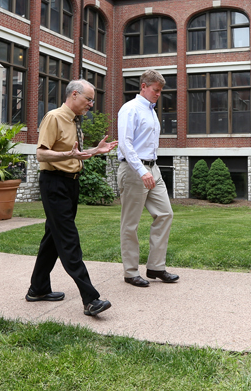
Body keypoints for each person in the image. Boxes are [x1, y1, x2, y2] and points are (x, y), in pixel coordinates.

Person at [27, 79, 117, 316]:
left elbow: (75, 156)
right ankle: (90, 299)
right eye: (88, 99)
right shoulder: (54, 117)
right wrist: (69, 153)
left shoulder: (76, 121)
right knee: (68, 240)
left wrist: (95, 152)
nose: (91, 104)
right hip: (54, 184)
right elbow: (40, 154)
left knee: (52, 238)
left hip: (70, 185)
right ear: (74, 95)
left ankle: (38, 289)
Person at [117, 69, 178, 287]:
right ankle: (131, 272)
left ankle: (156, 267)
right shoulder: (130, 109)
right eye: (156, 90)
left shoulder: (151, 111)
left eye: (160, 91)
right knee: (130, 223)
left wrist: (150, 170)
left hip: (153, 168)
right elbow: (125, 144)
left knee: (165, 214)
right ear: (143, 86)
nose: (158, 94)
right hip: (134, 170)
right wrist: (142, 171)